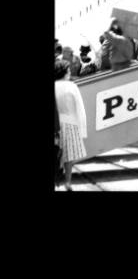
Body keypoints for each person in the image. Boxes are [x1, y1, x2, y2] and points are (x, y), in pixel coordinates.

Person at [55, 58, 88, 190]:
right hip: (70, 123)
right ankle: (67, 182)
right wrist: (82, 129)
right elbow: (80, 109)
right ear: (65, 72)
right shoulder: (71, 86)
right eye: (68, 70)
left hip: (55, 124)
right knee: (69, 157)